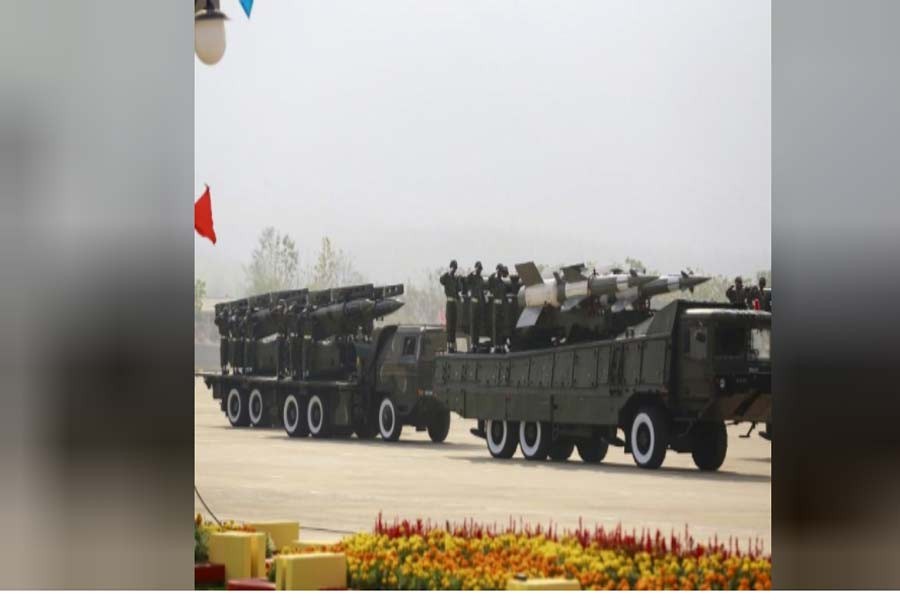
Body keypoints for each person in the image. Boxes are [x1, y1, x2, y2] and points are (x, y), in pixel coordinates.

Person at [439, 260, 463, 352]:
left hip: (454, 303)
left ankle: (452, 345)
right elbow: (441, 280)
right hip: (449, 303)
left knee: (453, 324)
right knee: (449, 325)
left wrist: (459, 280)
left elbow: (459, 289)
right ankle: (449, 345)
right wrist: (448, 272)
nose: (454, 270)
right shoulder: (447, 278)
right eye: (453, 267)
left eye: (455, 268)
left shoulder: (455, 279)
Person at [487, 263, 509, 352]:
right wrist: (495, 272)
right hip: (496, 306)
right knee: (496, 326)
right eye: (500, 271)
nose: (501, 273)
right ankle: (496, 346)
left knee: (500, 327)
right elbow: (489, 280)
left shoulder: (503, 284)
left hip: (501, 307)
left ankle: (500, 345)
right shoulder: (494, 281)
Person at [467, 261, 486, 352]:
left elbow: (482, 292)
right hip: (474, 303)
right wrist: (472, 272)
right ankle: (473, 344)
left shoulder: (481, 279)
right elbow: (467, 280)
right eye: (478, 268)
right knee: (473, 325)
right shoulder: (472, 278)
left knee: (477, 325)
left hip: (479, 304)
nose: (479, 270)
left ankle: (476, 343)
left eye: (480, 269)